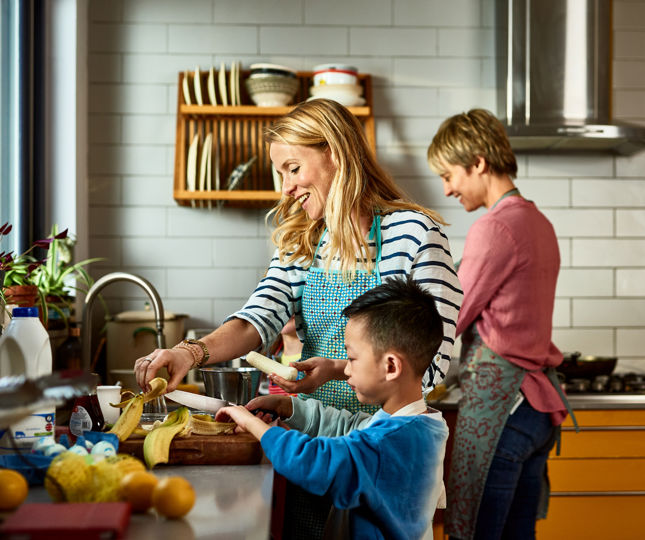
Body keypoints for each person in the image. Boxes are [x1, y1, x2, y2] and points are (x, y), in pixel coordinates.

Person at [135, 98, 462, 536]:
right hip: (310, 442)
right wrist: (189, 353)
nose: (285, 188)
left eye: (293, 168)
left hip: (384, 452)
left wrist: (339, 369)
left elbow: (430, 360)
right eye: (280, 174)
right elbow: (259, 317)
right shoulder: (302, 241)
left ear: (335, 154)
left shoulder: (417, 234)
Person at [426, 109, 573, 540]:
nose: (447, 188)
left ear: (478, 163)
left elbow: (451, 314)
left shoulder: (494, 228)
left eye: (449, 174)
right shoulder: (538, 222)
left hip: (502, 409)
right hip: (536, 412)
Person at [216, 276, 449, 540]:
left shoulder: (387, 442)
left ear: (391, 366)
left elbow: (312, 460)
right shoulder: (420, 424)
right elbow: (348, 426)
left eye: (351, 358)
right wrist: (289, 406)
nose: (345, 370)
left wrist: (250, 423)